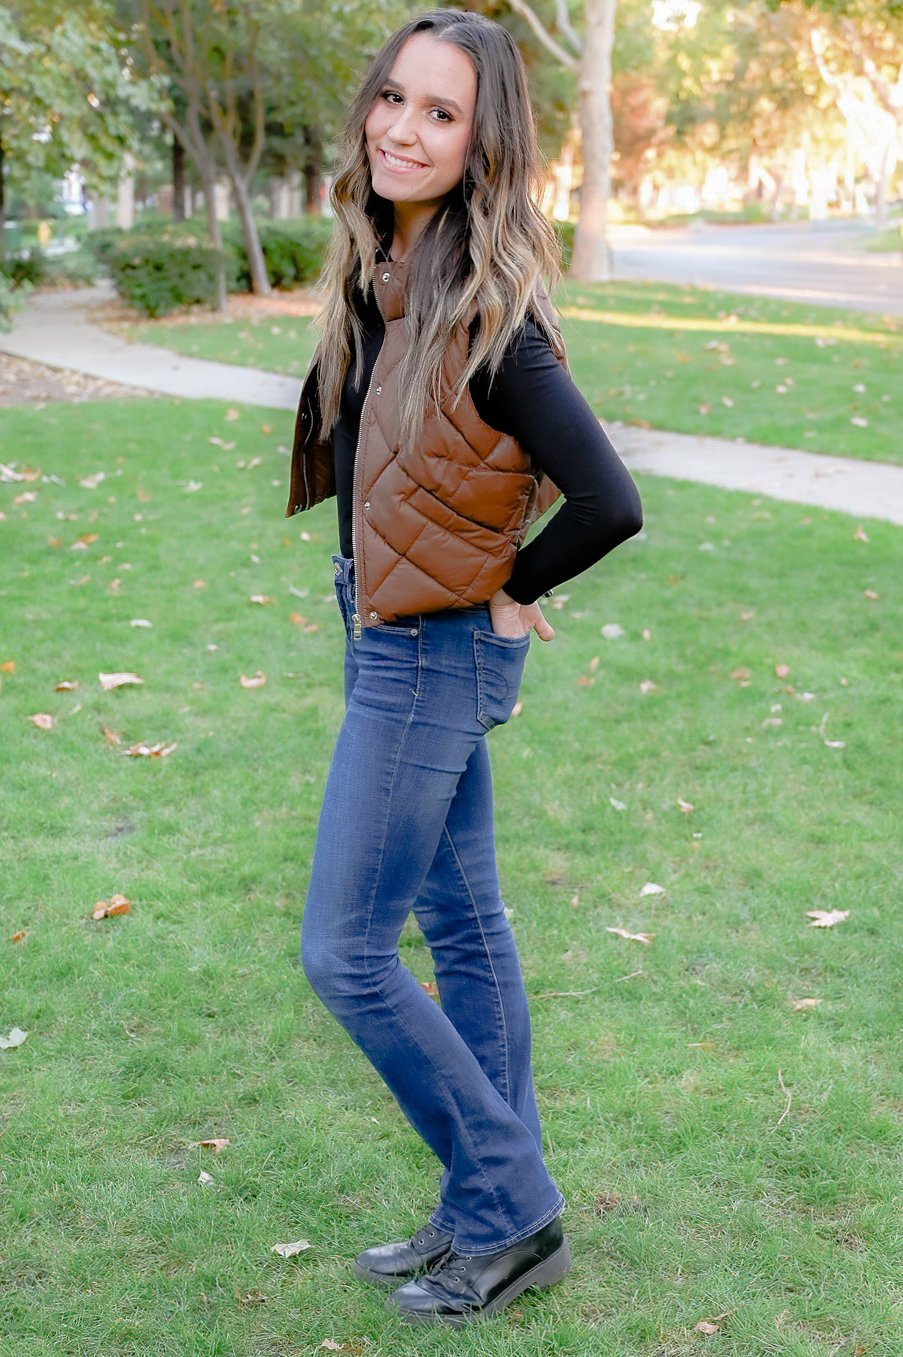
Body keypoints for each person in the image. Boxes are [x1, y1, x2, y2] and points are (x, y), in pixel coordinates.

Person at [288, 7, 643, 1329]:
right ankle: (486, 1219)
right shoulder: (397, 267)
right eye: (394, 98)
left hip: (429, 651)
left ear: (485, 144)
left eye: (441, 113)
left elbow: (611, 498)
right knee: (467, 930)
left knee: (345, 950)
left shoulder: (492, 314)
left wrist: (514, 584)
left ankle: (507, 1196)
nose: (402, 126)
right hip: (386, 625)